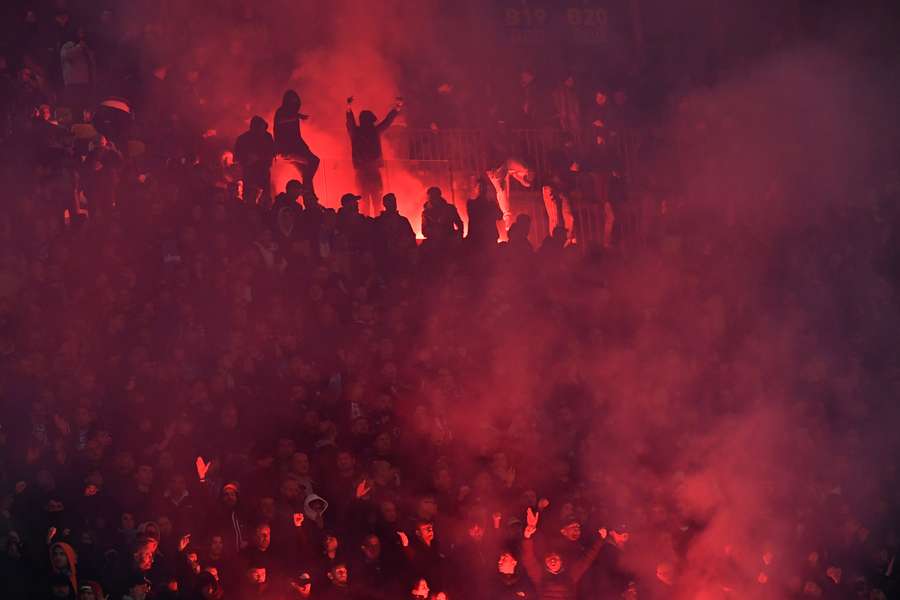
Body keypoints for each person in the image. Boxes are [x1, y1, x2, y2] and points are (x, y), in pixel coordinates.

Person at [346, 96, 402, 216]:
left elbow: (350, 123)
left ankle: (369, 223)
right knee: (373, 201)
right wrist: (397, 109)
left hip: (364, 172)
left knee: (368, 201)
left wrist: (349, 108)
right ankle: (374, 223)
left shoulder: (357, 132)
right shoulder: (370, 131)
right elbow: (387, 122)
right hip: (370, 172)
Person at [274, 90, 320, 193]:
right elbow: (280, 120)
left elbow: (296, 136)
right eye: (293, 102)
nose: (295, 105)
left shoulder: (291, 114)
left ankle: (309, 196)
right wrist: (297, 116)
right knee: (313, 162)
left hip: (290, 151)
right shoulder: (281, 112)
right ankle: (305, 190)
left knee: (305, 173)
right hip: (288, 150)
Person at [235, 116, 276, 206]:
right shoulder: (243, 139)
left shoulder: (267, 137)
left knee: (265, 198)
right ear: (253, 128)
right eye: (260, 128)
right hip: (250, 173)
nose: (262, 131)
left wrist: (259, 158)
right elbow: (237, 157)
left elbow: (273, 152)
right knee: (250, 198)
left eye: (263, 128)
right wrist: (246, 160)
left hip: (264, 172)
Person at [465, 177, 503, 249]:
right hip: (480, 238)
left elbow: (500, 216)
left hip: (482, 238)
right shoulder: (472, 203)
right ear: (475, 189)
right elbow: (499, 216)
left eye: (483, 187)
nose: (481, 190)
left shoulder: (471, 203)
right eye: (480, 187)